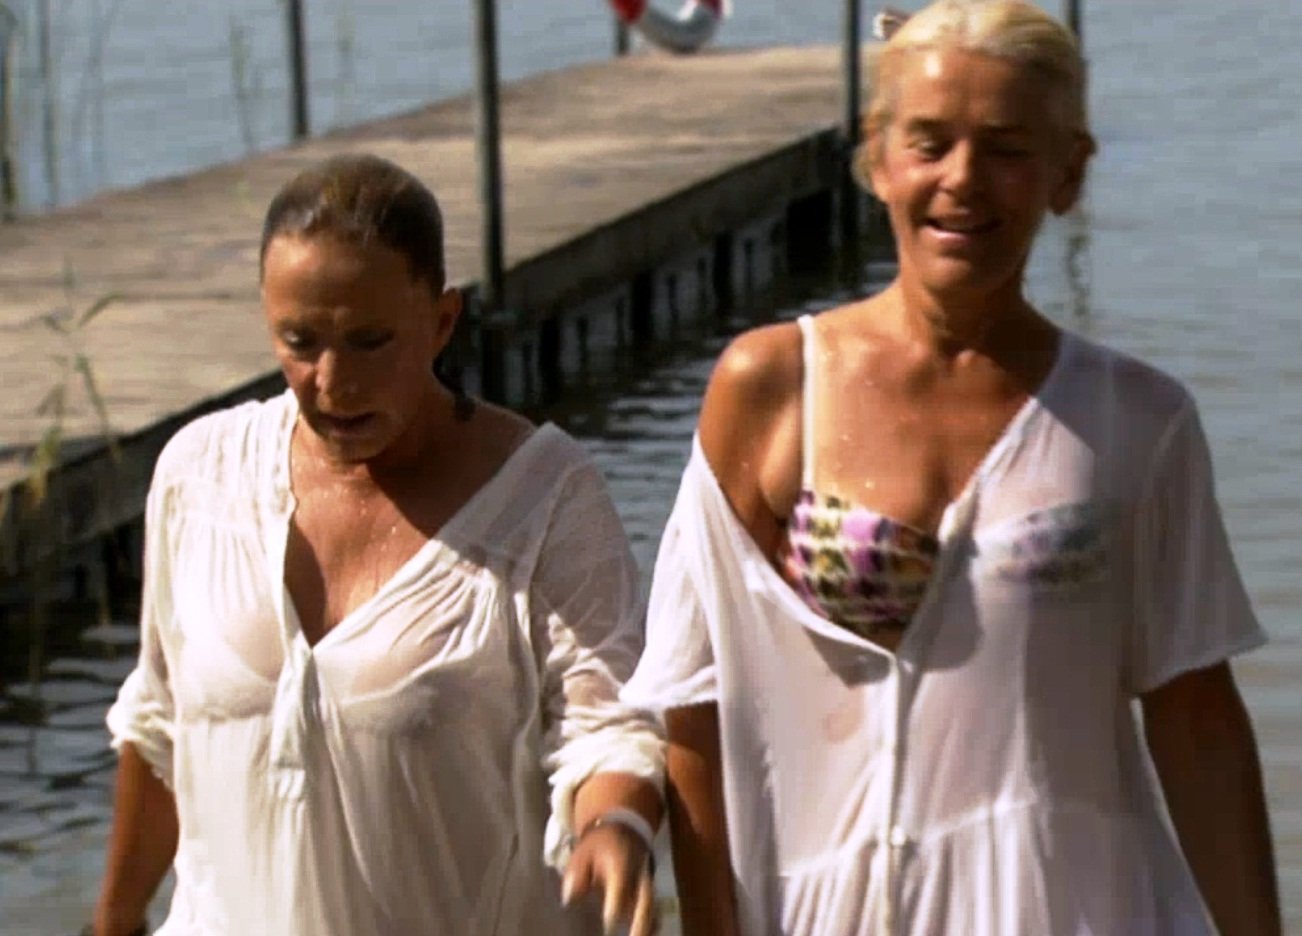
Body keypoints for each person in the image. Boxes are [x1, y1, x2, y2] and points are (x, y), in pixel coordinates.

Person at [623, 1, 1282, 933]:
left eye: (1007, 149)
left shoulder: (1138, 421)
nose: (963, 180)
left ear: (1068, 172)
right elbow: (694, 702)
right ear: (878, 157)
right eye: (930, 143)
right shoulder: (772, 387)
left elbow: (1196, 718)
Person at [89, 154, 664, 936]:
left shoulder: (544, 498)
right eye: (300, 341)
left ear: (442, 322)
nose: (333, 381)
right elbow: (159, 729)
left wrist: (612, 826)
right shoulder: (199, 477)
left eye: (370, 342)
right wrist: (113, 921)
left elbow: (610, 727)